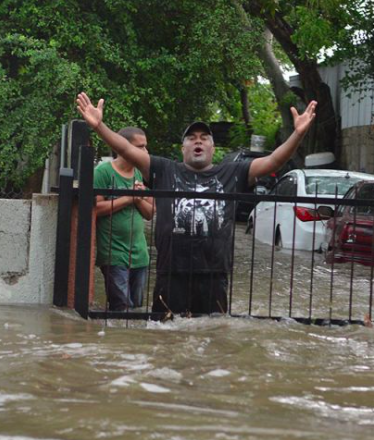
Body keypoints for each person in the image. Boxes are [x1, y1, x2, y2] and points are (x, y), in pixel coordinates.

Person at [76, 92, 316, 315]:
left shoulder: (233, 172)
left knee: (211, 333)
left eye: (204, 138)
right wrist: (99, 126)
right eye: (191, 138)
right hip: (172, 274)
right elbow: (126, 149)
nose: (197, 141)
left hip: (214, 275)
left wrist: (298, 134)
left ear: (212, 147)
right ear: (183, 148)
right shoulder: (164, 169)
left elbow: (274, 161)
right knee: (165, 334)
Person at [94, 127, 154, 311]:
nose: (145, 151)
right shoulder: (103, 172)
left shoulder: (142, 173)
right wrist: (128, 198)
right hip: (113, 255)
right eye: (140, 147)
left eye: (145, 146)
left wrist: (138, 198)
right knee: (122, 308)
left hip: (140, 255)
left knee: (136, 311)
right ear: (122, 147)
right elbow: (95, 208)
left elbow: (150, 213)